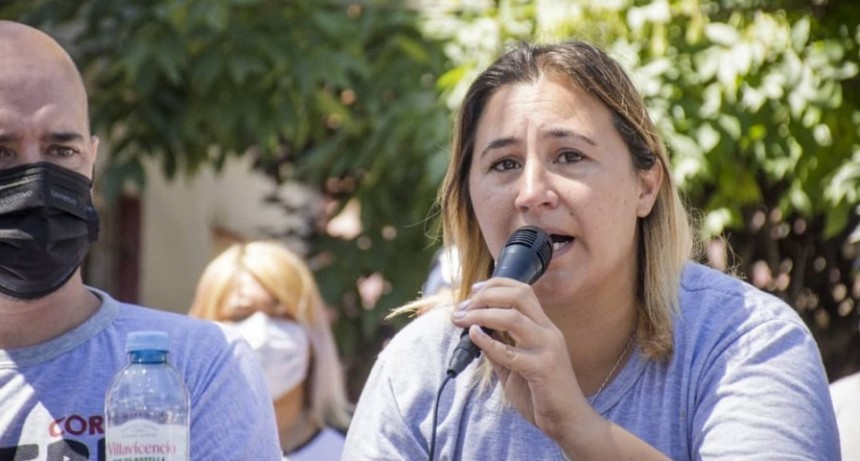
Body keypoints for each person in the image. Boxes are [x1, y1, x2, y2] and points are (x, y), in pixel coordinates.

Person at [342, 39, 840, 460]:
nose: (532, 191)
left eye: (570, 156)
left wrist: (579, 428)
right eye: (504, 164)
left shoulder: (749, 341)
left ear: (645, 187)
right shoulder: (422, 368)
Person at [0, 21, 282, 459]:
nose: (36, 181)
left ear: (92, 160)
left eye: (62, 151)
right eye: (2, 152)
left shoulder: (198, 367)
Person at [188, 241, 352, 461]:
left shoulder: (353, 450)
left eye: (282, 314)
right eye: (241, 315)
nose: (263, 331)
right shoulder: (182, 449)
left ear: (314, 335)